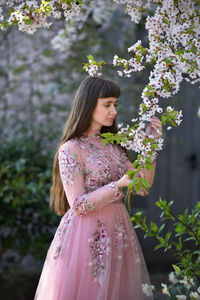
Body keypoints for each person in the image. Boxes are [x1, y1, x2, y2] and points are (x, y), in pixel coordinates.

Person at [34, 76, 162, 300]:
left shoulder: (113, 146)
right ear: (88, 104)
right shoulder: (71, 149)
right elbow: (79, 205)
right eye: (107, 104)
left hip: (118, 231)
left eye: (115, 104)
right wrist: (118, 185)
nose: (113, 110)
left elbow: (143, 187)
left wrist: (151, 147)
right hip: (84, 236)